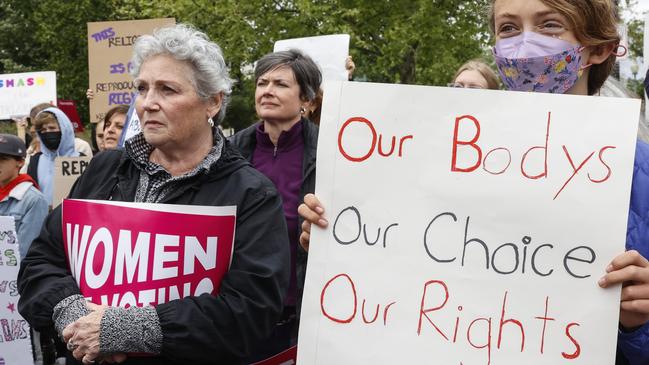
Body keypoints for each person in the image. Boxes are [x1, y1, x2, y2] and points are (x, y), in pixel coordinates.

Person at [298, 1, 649, 364]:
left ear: (599, 48)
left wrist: (640, 322)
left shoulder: (641, 173)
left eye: (549, 26)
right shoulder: (442, 152)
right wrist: (338, 243)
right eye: (509, 29)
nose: (525, 46)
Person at [18, 23, 289, 365]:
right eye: (142, 88)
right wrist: (72, 315)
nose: (148, 103)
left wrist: (124, 329)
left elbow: (250, 311)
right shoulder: (105, 169)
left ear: (213, 102)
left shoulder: (251, 195)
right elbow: (41, 261)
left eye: (168, 90)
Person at [230, 49, 321, 361]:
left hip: (300, 312)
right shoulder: (228, 152)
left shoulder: (329, 154)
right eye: (261, 82)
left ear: (307, 101)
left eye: (280, 84)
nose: (267, 90)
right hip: (239, 310)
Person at [0, 134, 48, 259]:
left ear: (20, 162)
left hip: (13, 274)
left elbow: (24, 252)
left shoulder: (34, 200)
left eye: (3, 159)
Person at [27, 107, 81, 206]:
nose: (47, 132)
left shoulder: (81, 159)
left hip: (71, 217)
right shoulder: (35, 160)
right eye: (43, 130)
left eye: (52, 128)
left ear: (64, 129)